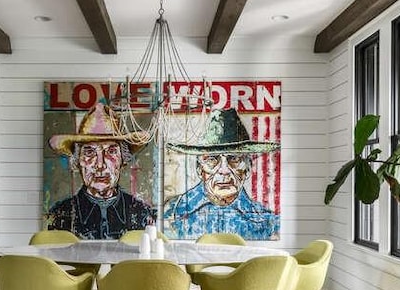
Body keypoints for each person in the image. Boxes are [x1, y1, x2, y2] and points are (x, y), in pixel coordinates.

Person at [163, 108, 280, 240]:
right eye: (212, 159)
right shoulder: (170, 213)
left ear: (248, 168)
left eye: (234, 159)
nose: (224, 170)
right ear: (199, 169)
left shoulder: (269, 224)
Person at [46, 103, 155, 239]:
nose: (100, 165)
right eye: (90, 152)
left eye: (111, 151)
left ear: (122, 160)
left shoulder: (142, 214)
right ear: (77, 161)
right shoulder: (59, 215)